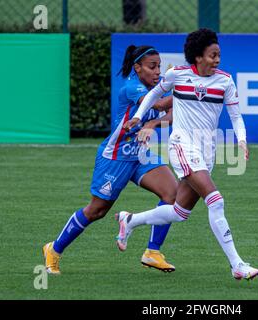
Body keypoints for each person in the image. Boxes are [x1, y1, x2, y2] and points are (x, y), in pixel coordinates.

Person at [117, 29, 258, 280]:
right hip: (182, 145)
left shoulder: (225, 81)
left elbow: (236, 116)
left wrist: (242, 140)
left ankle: (130, 220)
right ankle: (236, 264)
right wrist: (140, 116)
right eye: (212, 55)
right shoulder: (178, 75)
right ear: (197, 57)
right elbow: (153, 94)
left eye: (218, 55)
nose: (217, 59)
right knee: (215, 200)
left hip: (208, 151)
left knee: (179, 213)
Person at [43, 45, 179, 274]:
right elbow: (159, 105)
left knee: (172, 194)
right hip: (116, 156)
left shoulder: (159, 84)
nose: (157, 71)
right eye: (152, 66)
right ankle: (53, 250)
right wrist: (183, 89)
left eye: (159, 66)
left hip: (140, 154)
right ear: (138, 68)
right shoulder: (131, 88)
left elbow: (172, 115)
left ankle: (152, 252)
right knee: (97, 210)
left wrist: (155, 122)